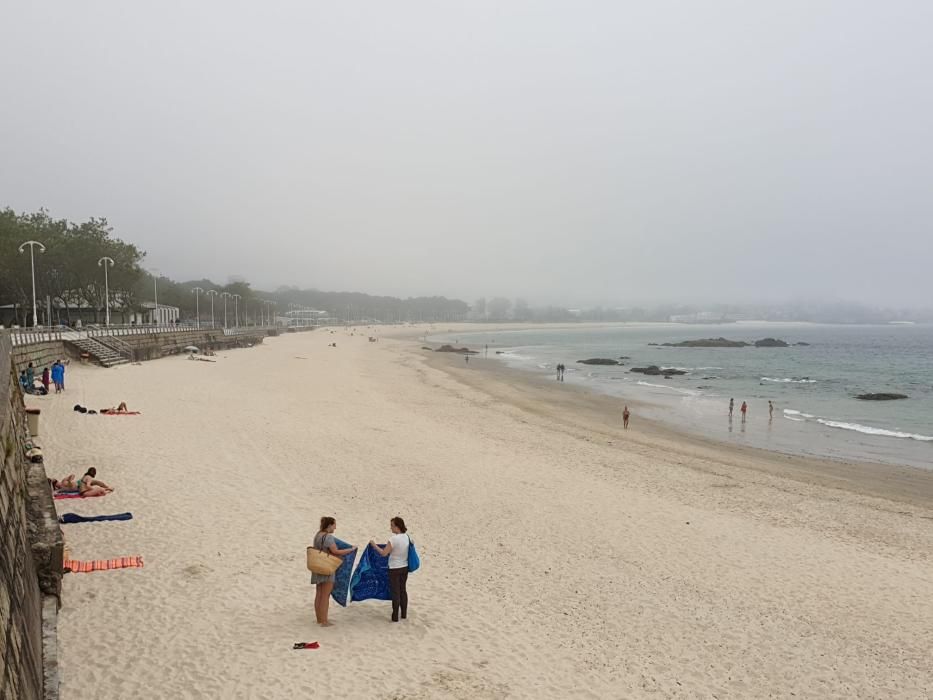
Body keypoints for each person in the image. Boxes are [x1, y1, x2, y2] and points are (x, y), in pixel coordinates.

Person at [311, 517, 356, 627]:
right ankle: (324, 621)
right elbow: (335, 551)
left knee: (319, 593)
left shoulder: (318, 535)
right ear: (329, 525)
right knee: (325, 596)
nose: (335, 527)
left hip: (317, 566)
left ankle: (319, 619)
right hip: (327, 567)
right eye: (334, 525)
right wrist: (350, 550)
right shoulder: (328, 537)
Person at [370, 516, 411, 622]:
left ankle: (395, 616)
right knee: (403, 590)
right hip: (404, 567)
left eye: (392, 526)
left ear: (397, 527)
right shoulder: (407, 537)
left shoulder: (393, 539)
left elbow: (384, 553)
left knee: (395, 592)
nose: (391, 528)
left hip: (394, 568)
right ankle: (404, 614)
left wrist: (374, 545)